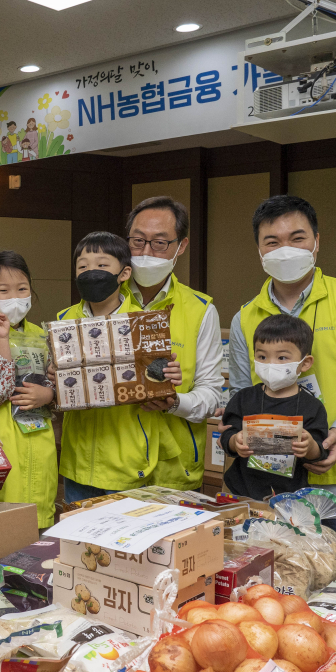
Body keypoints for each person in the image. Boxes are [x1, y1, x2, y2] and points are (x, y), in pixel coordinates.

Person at [230, 196, 336, 570]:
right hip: (272, 492)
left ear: (317, 242)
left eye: (297, 238)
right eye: (272, 241)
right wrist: (239, 438)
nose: (285, 250)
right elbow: (241, 394)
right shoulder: (245, 317)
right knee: (280, 591)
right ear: (259, 250)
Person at [54, 232, 182, 503]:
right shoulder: (64, 321)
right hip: (77, 460)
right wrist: (53, 377)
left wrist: (167, 377)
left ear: (124, 273)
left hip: (129, 461)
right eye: (82, 266)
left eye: (102, 265)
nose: (91, 272)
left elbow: (157, 383)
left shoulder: (145, 322)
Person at [122, 197, 223, 490]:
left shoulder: (200, 310)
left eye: (159, 243)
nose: (146, 252)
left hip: (174, 472)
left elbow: (211, 394)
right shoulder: (103, 303)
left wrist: (176, 403)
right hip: (109, 468)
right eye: (137, 241)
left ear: (181, 246)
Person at [0, 251, 57, 529]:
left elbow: (60, 384)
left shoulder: (41, 334)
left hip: (39, 441)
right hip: (1, 443)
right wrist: (1, 338)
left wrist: (50, 394)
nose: (15, 298)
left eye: (22, 289)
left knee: (39, 524)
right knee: (1, 527)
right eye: (3, 291)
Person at [221, 315, 329, 497]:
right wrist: (234, 442)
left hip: (290, 498)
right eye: (262, 356)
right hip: (240, 492)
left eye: (282, 357)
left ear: (305, 363)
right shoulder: (244, 398)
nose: (270, 364)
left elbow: (321, 450)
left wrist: (310, 447)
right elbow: (227, 435)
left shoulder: (312, 407)